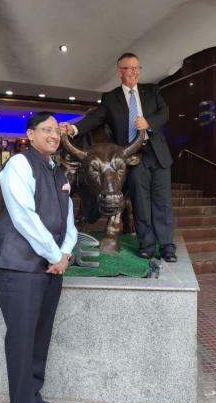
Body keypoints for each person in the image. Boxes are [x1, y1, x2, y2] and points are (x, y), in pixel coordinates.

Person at [0, 112, 77, 403]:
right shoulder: (19, 165)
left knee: (39, 341)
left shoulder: (59, 172)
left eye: (57, 130)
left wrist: (66, 253)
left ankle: (33, 398)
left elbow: (69, 218)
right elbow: (24, 216)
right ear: (30, 134)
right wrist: (55, 255)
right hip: (20, 271)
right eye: (47, 130)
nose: (54, 135)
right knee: (22, 343)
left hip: (51, 270)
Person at [61, 52, 176, 262]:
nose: (133, 72)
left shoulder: (152, 90)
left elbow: (165, 113)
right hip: (131, 158)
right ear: (119, 72)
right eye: (128, 68)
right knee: (141, 203)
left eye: (136, 68)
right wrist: (74, 129)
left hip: (158, 155)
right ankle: (147, 246)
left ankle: (168, 246)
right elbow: (95, 118)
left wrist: (148, 123)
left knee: (162, 203)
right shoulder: (111, 97)